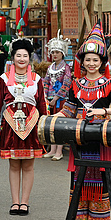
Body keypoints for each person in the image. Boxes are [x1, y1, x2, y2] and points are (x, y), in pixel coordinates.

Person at [53, 22, 111, 220]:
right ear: (82, 62)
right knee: (78, 178)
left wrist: (102, 112)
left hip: (101, 138)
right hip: (79, 138)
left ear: (102, 62)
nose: (92, 63)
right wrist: (51, 118)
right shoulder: (76, 84)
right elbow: (68, 109)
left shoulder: (110, 85)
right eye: (88, 60)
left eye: (96, 60)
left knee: (100, 179)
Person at [0, 38, 47, 216]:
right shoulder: (4, 79)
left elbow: (42, 103)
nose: (21, 59)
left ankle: (25, 202)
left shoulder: (37, 79)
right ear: (13, 58)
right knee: (14, 165)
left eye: (25, 56)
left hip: (32, 124)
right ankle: (15, 201)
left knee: (29, 166)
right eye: (18, 55)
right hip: (10, 124)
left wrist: (46, 125)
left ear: (29, 58)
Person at [42, 32, 72, 161]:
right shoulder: (50, 68)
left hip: (61, 101)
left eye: (57, 52)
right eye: (53, 52)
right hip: (50, 100)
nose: (54, 54)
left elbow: (66, 85)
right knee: (51, 125)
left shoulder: (66, 68)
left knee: (59, 125)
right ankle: (52, 149)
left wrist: (55, 98)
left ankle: (59, 151)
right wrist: (44, 96)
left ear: (62, 53)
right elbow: (46, 82)